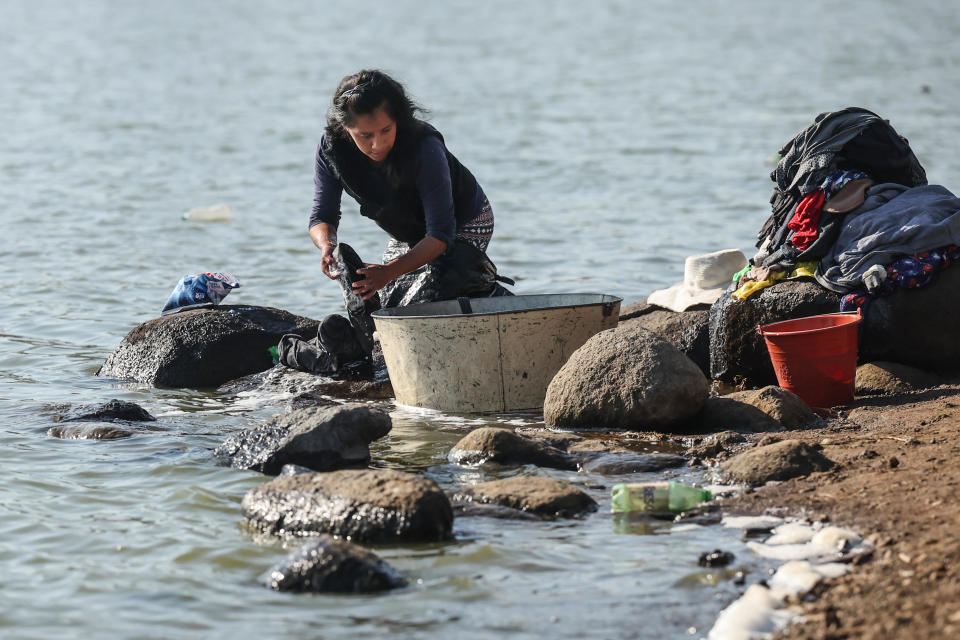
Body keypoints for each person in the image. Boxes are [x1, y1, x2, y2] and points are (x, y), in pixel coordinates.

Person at [308, 69, 510, 307]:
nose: (377, 144)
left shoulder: (425, 147)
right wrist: (326, 245)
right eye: (365, 135)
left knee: (433, 295)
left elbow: (440, 234)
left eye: (386, 130)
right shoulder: (331, 149)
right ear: (345, 128)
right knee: (392, 303)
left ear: (398, 120)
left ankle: (492, 294)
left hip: (466, 222)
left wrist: (389, 272)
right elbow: (322, 216)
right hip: (408, 234)